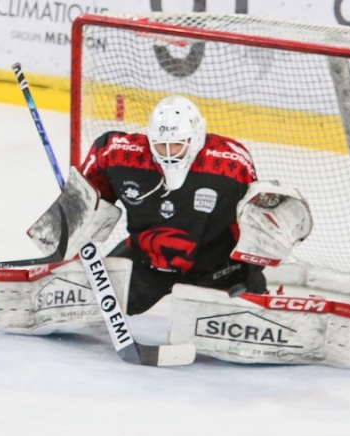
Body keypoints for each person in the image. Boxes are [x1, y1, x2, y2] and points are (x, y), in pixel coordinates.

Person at [79, 95, 265, 315]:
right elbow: (88, 202)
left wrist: (251, 269)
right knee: (86, 305)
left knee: (241, 316)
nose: (168, 153)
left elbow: (250, 224)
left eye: (177, 144)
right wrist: (72, 216)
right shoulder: (119, 155)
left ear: (195, 138)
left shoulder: (231, 164)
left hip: (214, 267)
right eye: (161, 145)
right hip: (146, 259)